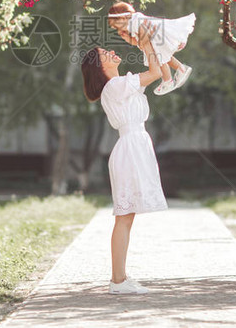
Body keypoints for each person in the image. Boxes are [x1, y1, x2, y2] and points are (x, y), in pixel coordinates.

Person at [80, 26, 168, 295]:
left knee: (126, 217)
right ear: (100, 66)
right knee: (124, 216)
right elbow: (154, 73)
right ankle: (118, 281)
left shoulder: (120, 86)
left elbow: (161, 74)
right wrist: (145, 42)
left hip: (134, 146)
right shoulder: (116, 86)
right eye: (106, 52)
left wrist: (147, 45)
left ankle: (120, 278)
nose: (112, 51)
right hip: (130, 149)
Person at [107, 1, 195, 95]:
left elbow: (144, 38)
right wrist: (128, 39)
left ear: (123, 18)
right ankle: (181, 68)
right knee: (164, 57)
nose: (118, 29)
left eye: (117, 26)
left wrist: (141, 43)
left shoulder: (135, 21)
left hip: (158, 37)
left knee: (159, 59)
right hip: (157, 39)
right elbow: (138, 41)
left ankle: (167, 80)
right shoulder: (134, 22)